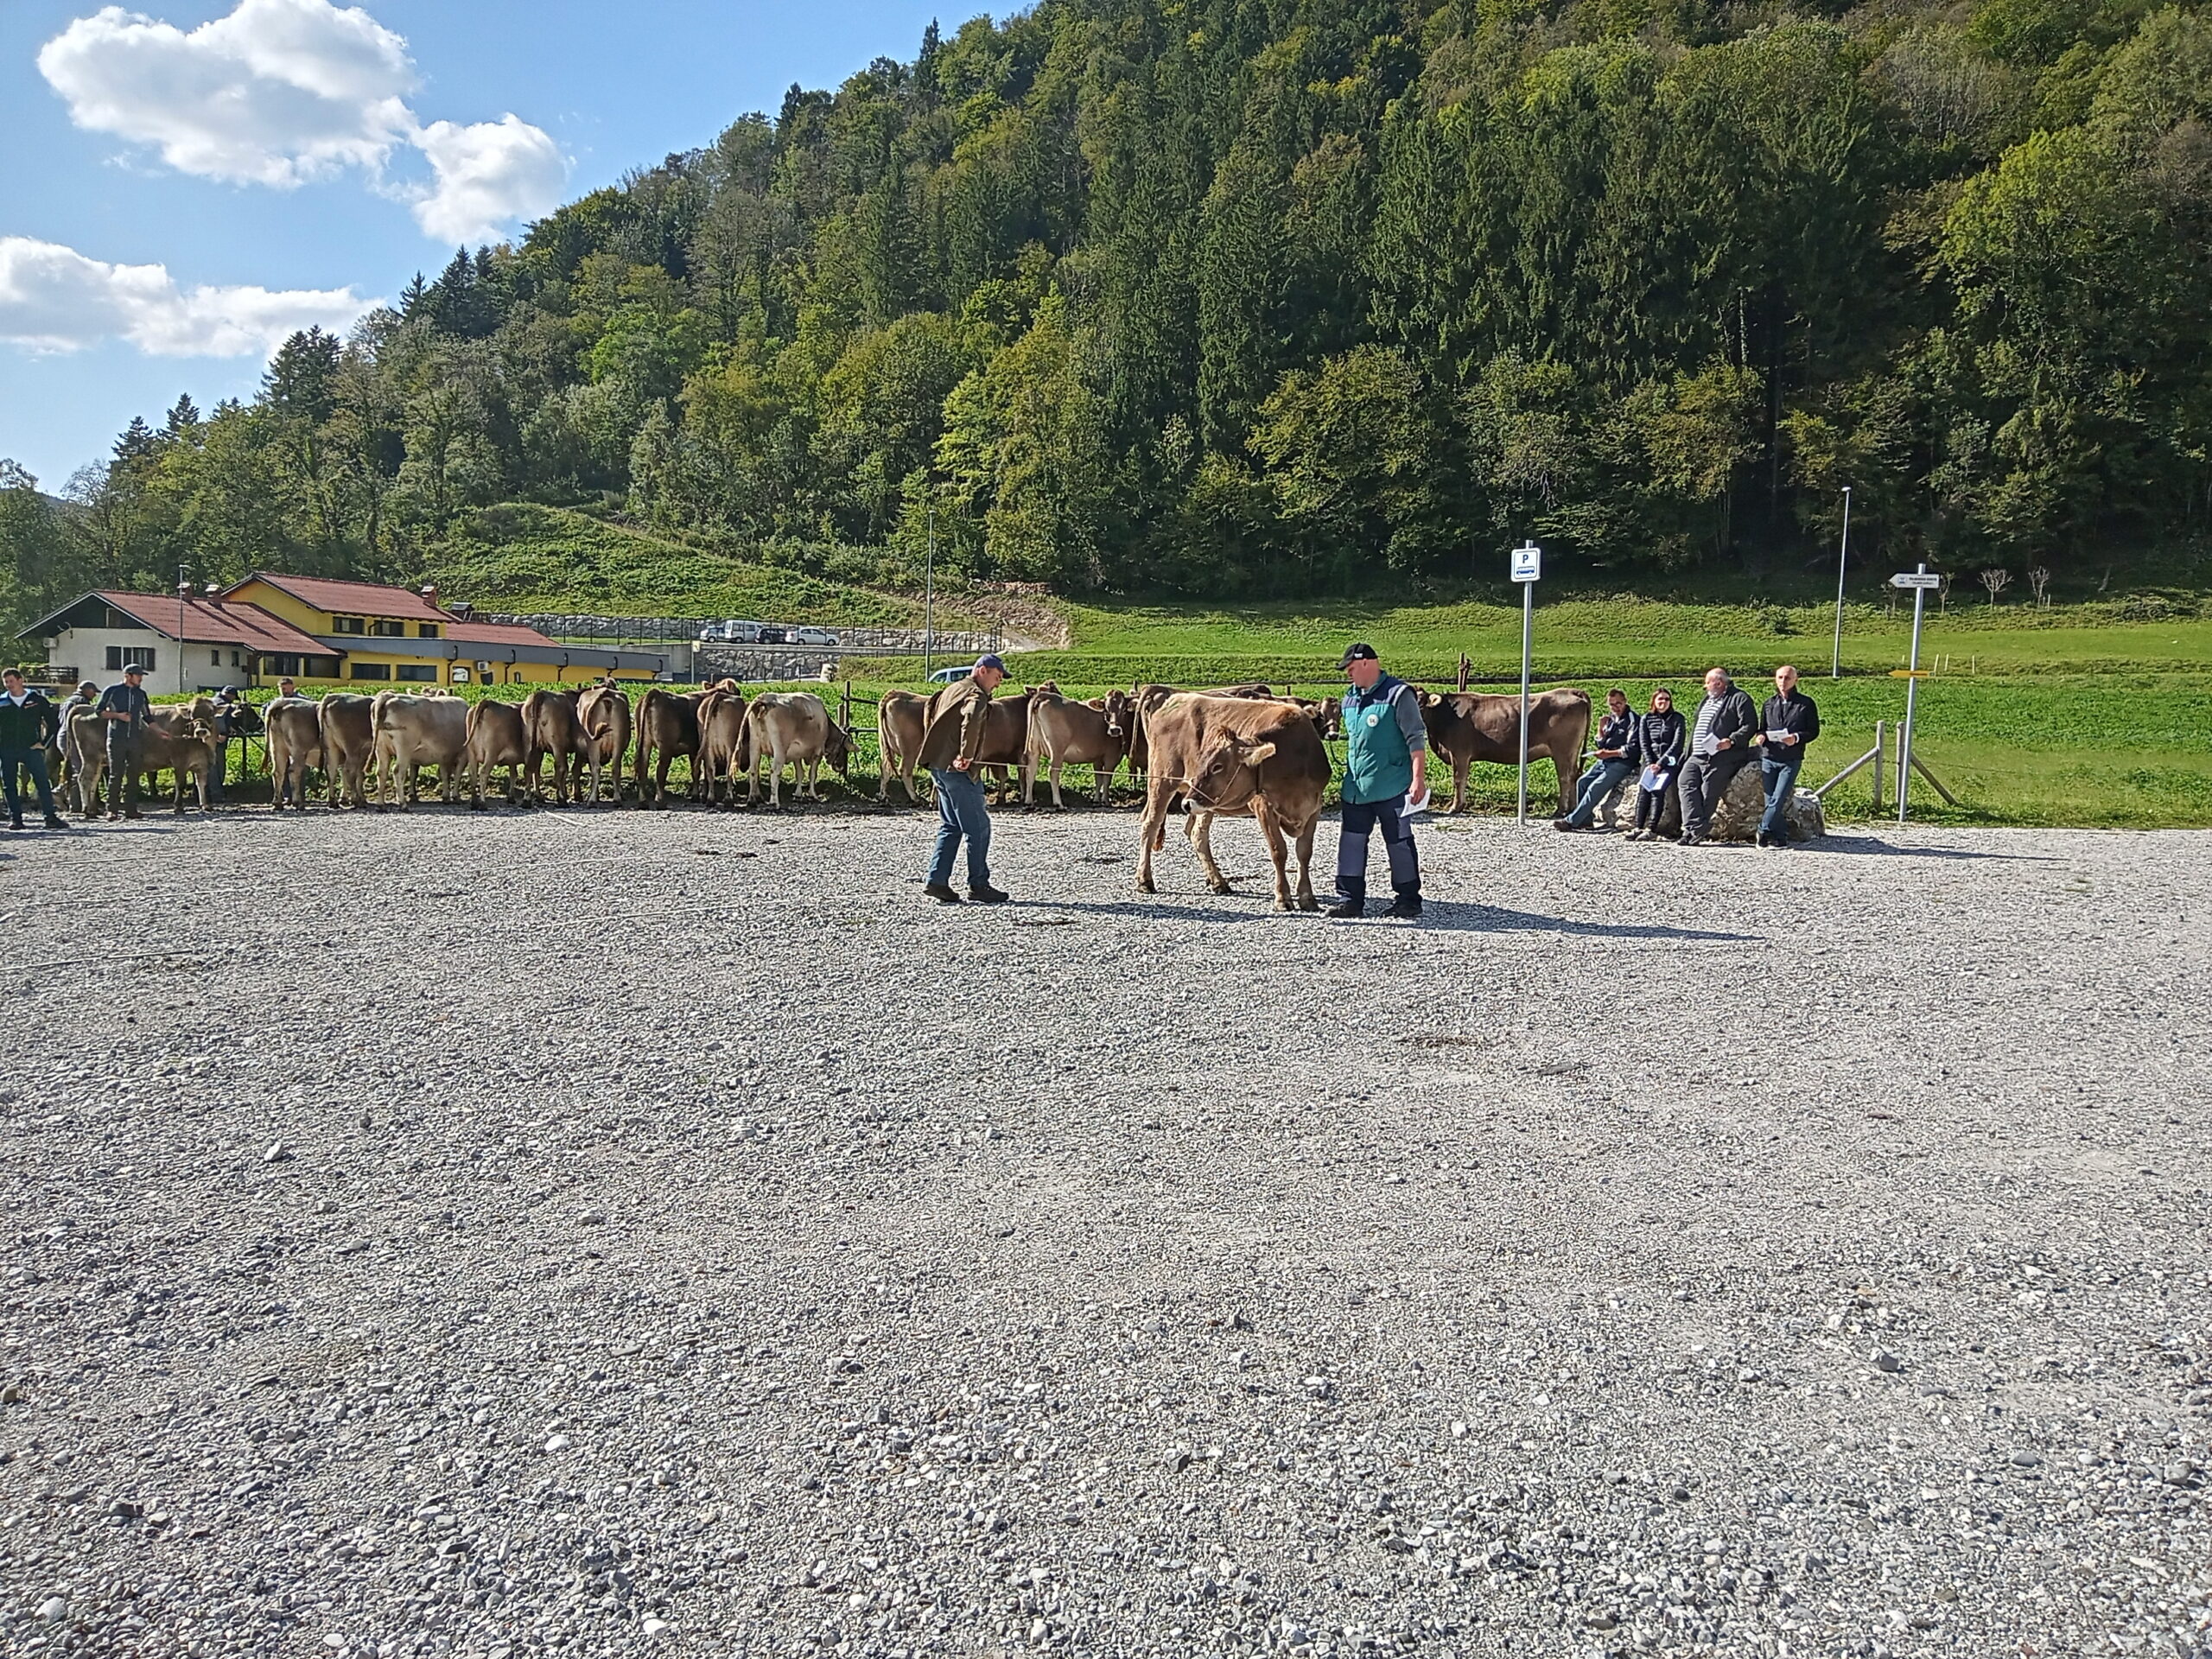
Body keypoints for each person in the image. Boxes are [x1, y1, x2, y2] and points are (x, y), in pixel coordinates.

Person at [1328, 642, 1426, 919]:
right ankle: (1349, 900)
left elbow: (1416, 739)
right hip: (1356, 788)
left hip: (1393, 785)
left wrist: (1418, 779)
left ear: (1367, 663)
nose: (1348, 674)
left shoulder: (1399, 695)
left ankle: (1408, 900)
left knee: (1399, 843)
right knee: (1351, 843)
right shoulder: (1349, 700)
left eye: (1351, 668)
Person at [913, 653, 1011, 905]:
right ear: (982, 670)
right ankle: (979, 885)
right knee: (979, 828)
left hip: (938, 765)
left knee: (951, 825)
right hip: (958, 769)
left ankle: (937, 880)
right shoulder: (976, 695)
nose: (998, 683)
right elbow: (972, 718)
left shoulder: (954, 688)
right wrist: (966, 755)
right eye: (997, 676)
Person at [1675, 667, 1758, 846]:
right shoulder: (1707, 700)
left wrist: (1732, 740)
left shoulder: (1739, 698)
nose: (1705, 686)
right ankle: (1696, 828)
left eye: (1708, 683)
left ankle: (1692, 832)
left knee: (1709, 791)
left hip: (1721, 756)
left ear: (1719, 683)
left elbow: (1750, 725)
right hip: (1697, 754)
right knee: (1685, 782)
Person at [1756, 664, 1821, 848]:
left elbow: (1814, 731)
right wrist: (1760, 736)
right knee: (1770, 799)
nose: (1783, 681)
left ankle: (1762, 830)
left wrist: (1797, 738)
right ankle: (1780, 836)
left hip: (1791, 758)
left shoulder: (1805, 704)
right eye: (1780, 677)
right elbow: (1762, 728)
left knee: (1779, 797)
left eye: (1787, 678)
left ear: (1795, 680)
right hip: (1769, 756)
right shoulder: (1769, 704)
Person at [1555, 688, 1637, 831]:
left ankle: (1571, 821)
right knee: (1582, 782)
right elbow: (1601, 744)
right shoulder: (1611, 720)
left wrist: (1608, 753)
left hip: (1623, 762)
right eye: (1612, 704)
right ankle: (1585, 820)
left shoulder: (1633, 720)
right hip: (1605, 760)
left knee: (1595, 787)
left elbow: (1632, 749)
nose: (1615, 707)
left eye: (1618, 703)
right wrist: (1600, 730)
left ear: (1625, 702)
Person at [0, 668, 67, 830]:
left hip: (31, 748)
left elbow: (53, 723)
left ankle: (50, 817)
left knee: (42, 782)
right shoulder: (2, 702)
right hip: (7, 749)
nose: (9, 685)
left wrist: (44, 743)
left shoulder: (37, 699)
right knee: (9, 784)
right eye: (6, 682)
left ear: (20, 680)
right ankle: (16, 819)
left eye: (11, 681)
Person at [1624, 688, 1685, 842]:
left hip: (1668, 762)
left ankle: (1651, 829)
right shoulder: (1646, 718)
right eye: (1660, 699)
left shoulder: (1677, 719)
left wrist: (1660, 763)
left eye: (1667, 699)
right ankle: (1638, 827)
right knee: (1644, 791)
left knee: (1658, 791)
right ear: (1654, 702)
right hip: (1650, 761)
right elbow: (1644, 743)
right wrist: (1651, 763)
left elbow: (1677, 744)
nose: (1663, 702)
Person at [97, 663, 152, 821]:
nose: (141, 678)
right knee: (116, 774)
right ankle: (111, 810)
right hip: (116, 738)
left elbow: (147, 716)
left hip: (135, 738)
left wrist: (160, 731)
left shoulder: (141, 694)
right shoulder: (112, 691)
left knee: (134, 775)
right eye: (138, 675)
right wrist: (118, 716)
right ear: (128, 676)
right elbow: (99, 711)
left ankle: (131, 809)